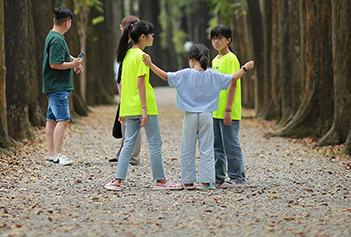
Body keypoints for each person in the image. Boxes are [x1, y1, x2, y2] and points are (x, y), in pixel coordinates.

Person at [142, 44, 254, 189]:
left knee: (187, 147)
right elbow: (233, 78)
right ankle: (205, 182)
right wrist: (245, 68)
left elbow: (165, 76)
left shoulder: (185, 74)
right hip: (207, 115)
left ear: (191, 59)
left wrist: (150, 65)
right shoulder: (213, 74)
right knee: (207, 148)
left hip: (190, 115)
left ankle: (188, 181)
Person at [104, 20, 182, 191]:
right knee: (155, 143)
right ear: (143, 37)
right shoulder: (142, 57)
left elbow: (124, 84)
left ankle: (117, 181)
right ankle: (160, 181)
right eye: (151, 35)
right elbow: (140, 83)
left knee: (128, 144)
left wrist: (123, 109)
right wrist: (145, 109)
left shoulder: (126, 55)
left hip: (130, 107)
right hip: (145, 106)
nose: (153, 37)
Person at [42, 6, 83, 166]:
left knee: (51, 119)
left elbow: (61, 57)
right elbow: (55, 63)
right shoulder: (58, 39)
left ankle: (52, 153)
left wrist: (73, 62)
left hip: (53, 85)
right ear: (67, 23)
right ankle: (58, 154)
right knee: (63, 120)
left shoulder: (53, 36)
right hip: (58, 86)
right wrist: (72, 63)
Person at [210, 24, 249, 188]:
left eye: (220, 38)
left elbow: (232, 83)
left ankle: (238, 178)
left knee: (231, 145)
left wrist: (228, 109)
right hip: (215, 110)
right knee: (217, 146)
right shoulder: (214, 60)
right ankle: (218, 177)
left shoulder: (231, 58)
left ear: (228, 40)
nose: (216, 41)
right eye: (214, 38)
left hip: (228, 110)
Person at [110, 15, 142, 166]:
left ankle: (133, 156)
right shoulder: (127, 45)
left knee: (131, 119)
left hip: (128, 85)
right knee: (126, 120)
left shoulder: (133, 47)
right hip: (123, 84)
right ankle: (125, 151)